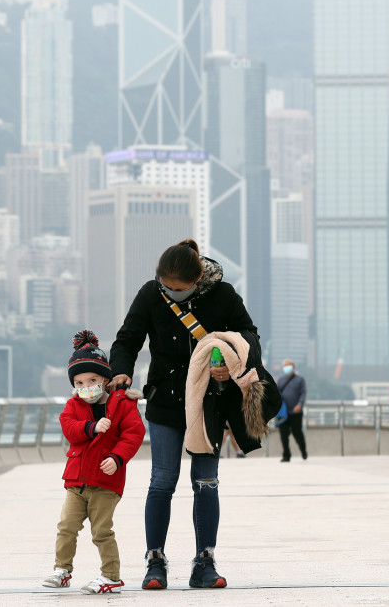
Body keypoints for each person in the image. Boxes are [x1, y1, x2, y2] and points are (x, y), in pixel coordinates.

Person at [109, 238, 277, 590]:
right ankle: (155, 561)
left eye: (179, 289)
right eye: (166, 287)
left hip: (209, 402)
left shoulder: (224, 294)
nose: (172, 293)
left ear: (198, 278)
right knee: (161, 481)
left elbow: (250, 336)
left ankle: (205, 561)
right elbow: (127, 339)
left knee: (205, 482)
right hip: (166, 401)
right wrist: (121, 370)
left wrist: (228, 363)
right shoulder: (150, 293)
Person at [42, 330, 146, 595]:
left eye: (92, 379)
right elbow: (69, 428)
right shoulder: (73, 405)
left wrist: (117, 457)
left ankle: (110, 576)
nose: (85, 386)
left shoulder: (123, 404)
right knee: (66, 527)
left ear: (105, 379)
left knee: (101, 531)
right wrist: (91, 427)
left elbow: (133, 434)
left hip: (105, 481)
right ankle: (62, 569)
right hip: (76, 480)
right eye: (78, 382)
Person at [277, 360, 308, 462]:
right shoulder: (281, 380)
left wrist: (300, 404)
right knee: (283, 434)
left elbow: (303, 394)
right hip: (283, 413)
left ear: (293, 367)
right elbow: (276, 394)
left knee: (297, 433)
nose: (286, 368)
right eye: (285, 366)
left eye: (288, 366)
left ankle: (303, 450)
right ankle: (286, 455)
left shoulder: (300, 380)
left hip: (296, 412)